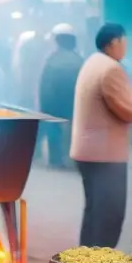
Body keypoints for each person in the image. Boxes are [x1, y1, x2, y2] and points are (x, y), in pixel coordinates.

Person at [70, 23, 132, 248]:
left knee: (94, 212)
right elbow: (126, 105)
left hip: (87, 151)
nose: (125, 46)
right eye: (124, 41)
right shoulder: (111, 69)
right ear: (114, 43)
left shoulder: (93, 61)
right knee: (110, 215)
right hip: (104, 154)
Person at [38, 23, 83, 168]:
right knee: (75, 129)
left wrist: (43, 105)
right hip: (74, 101)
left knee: (53, 128)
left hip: (53, 101)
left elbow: (45, 84)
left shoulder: (51, 59)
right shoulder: (79, 60)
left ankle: (55, 160)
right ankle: (74, 159)